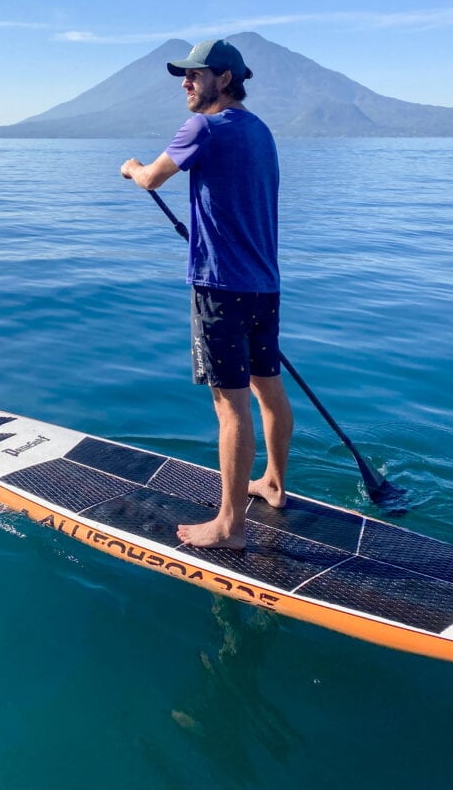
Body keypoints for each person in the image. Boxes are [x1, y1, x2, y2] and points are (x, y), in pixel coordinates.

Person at [120, 38, 294, 550]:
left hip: (220, 287)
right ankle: (275, 485)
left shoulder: (203, 127)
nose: (186, 82)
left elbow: (152, 178)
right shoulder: (261, 132)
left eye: (195, 74)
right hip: (265, 286)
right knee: (268, 388)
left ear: (224, 77)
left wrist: (131, 168)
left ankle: (230, 526)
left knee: (230, 407)